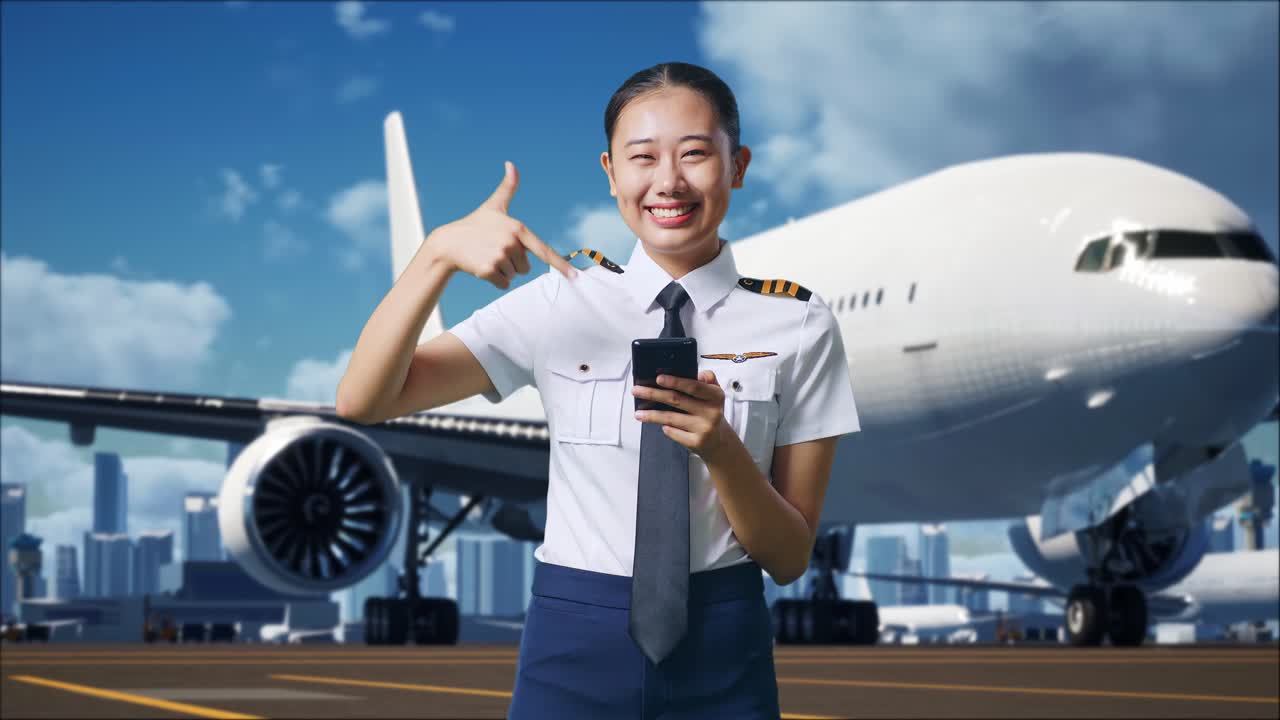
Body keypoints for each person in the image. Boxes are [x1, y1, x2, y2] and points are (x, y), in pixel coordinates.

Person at [336, 61, 860, 720]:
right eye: (643, 158)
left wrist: (723, 451)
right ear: (611, 172)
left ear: (739, 165)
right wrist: (436, 256)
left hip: (726, 644)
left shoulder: (799, 323)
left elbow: (787, 560)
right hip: (571, 640)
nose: (669, 181)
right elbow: (364, 401)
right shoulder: (560, 301)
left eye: (695, 154)